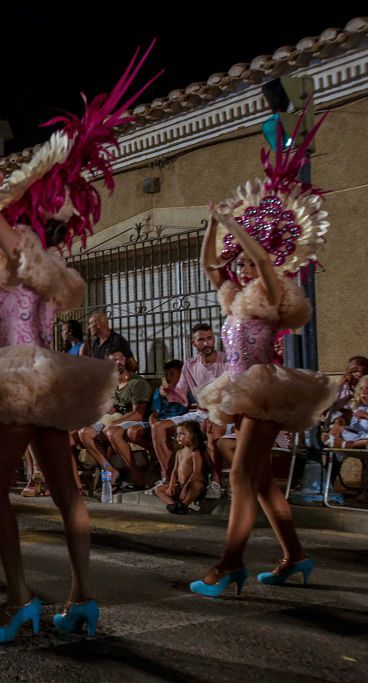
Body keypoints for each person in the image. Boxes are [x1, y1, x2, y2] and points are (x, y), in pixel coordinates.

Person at [0, 44, 154, 641]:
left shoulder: (24, 253)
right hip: (47, 377)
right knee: (66, 491)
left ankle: (19, 602)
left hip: (21, 377)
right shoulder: (50, 262)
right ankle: (82, 598)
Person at [189, 113, 334, 598]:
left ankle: (230, 565)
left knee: (240, 476)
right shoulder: (236, 296)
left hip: (265, 391)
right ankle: (295, 555)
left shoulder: (273, 289)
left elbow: (265, 262)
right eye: (242, 260)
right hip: (242, 387)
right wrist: (214, 224)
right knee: (260, 481)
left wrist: (238, 226)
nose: (243, 265)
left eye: (249, 259)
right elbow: (210, 265)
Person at [149, 324, 229, 497]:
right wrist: (168, 392)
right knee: (157, 428)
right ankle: (169, 479)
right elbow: (181, 396)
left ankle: (216, 483)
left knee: (212, 428)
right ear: (194, 343)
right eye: (201, 339)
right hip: (200, 413)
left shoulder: (227, 361)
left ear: (214, 339)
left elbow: (234, 395)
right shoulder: (189, 365)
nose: (207, 343)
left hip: (223, 414)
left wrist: (216, 415)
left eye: (209, 338)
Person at [107, 359, 187, 488]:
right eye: (166, 374)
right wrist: (153, 419)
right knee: (132, 432)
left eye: (172, 373)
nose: (168, 377)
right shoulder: (159, 391)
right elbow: (154, 412)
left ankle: (166, 475)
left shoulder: (186, 389)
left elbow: (189, 406)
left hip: (175, 422)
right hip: (158, 422)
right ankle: (153, 453)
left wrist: (173, 393)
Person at [77, 351, 151, 488]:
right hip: (113, 418)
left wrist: (113, 423)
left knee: (111, 432)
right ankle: (109, 469)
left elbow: (138, 414)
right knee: (83, 433)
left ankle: (135, 473)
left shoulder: (137, 383)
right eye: (115, 359)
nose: (119, 361)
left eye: (122, 358)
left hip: (132, 421)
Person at [154, 421, 207, 513]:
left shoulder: (195, 453)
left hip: (191, 485)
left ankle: (184, 505)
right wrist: (171, 486)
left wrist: (186, 488)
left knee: (198, 486)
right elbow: (174, 471)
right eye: (177, 434)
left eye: (182, 434)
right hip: (181, 485)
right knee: (158, 489)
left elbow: (197, 473)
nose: (178, 436)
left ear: (193, 435)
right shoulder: (179, 453)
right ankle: (174, 505)